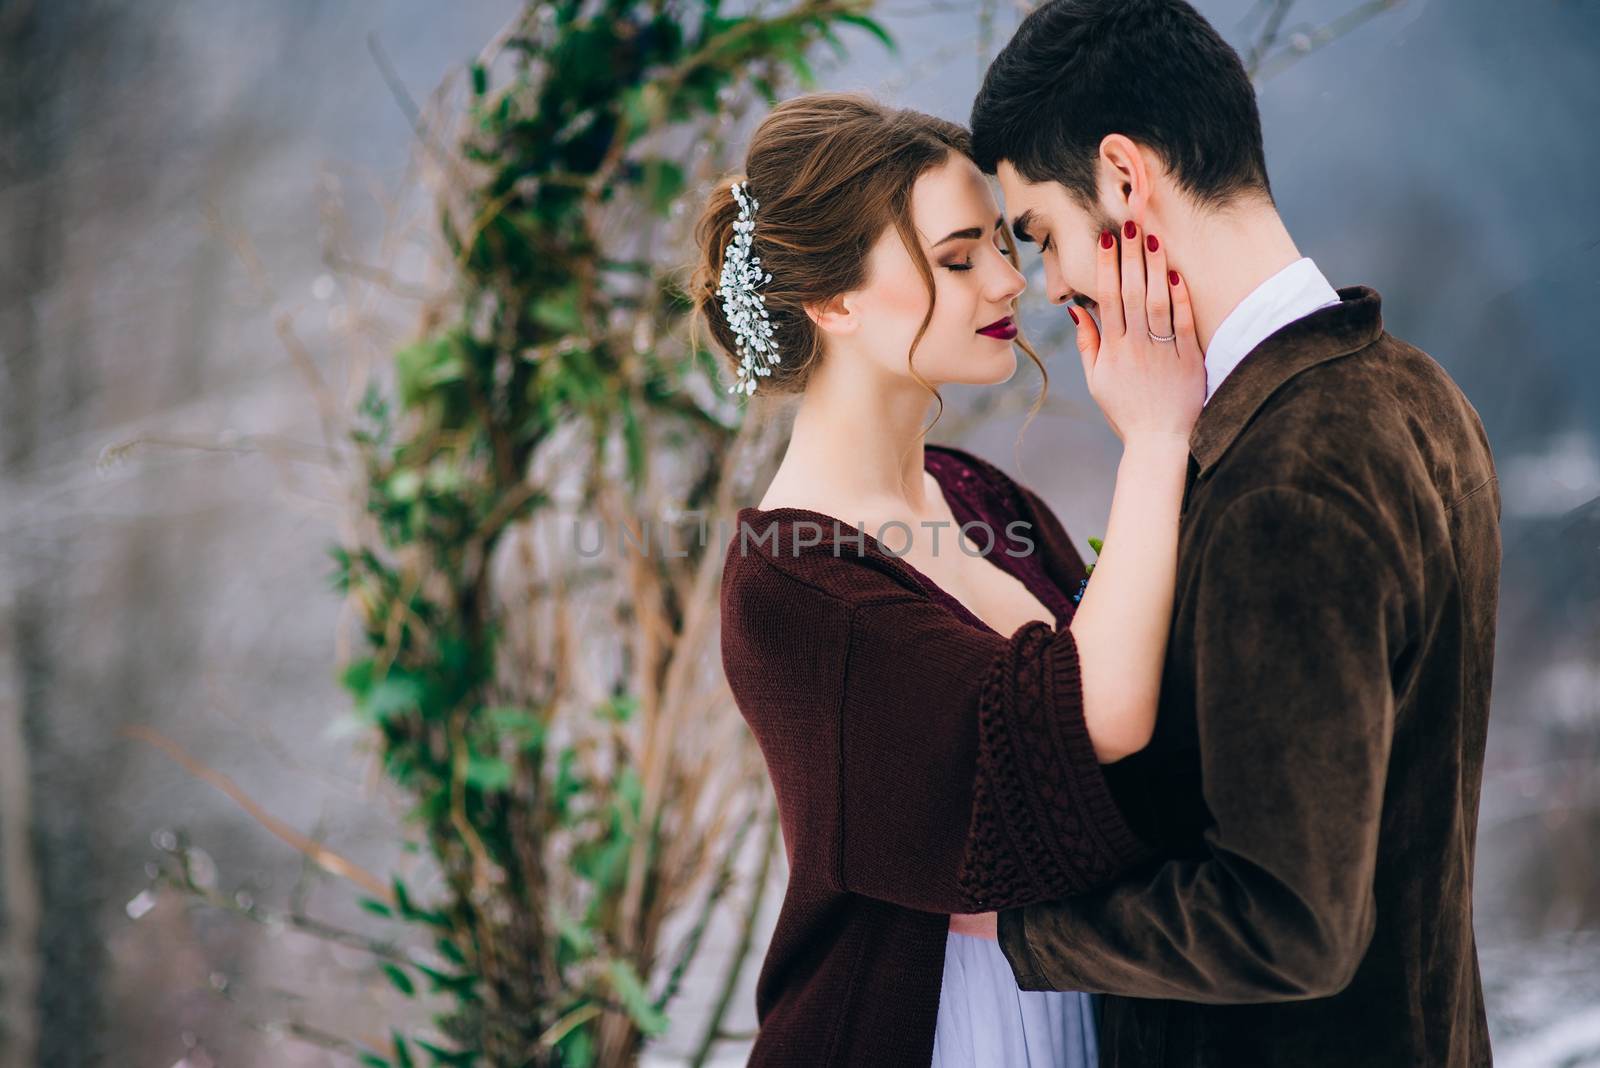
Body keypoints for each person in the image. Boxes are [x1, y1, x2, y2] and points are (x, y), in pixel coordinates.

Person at [966, 2, 1501, 1065]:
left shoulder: (1286, 482)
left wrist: (1025, 931)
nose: (1049, 285)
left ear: (1124, 179)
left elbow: (1287, 924)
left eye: (1040, 235)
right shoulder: (1413, 392)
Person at [701, 91, 1204, 1066]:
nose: (1007, 283)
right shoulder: (789, 589)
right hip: (942, 1031)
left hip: (1078, 1004)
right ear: (834, 301)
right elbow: (1096, 717)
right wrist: (1154, 438)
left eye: (1003, 248)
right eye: (958, 259)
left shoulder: (975, 491)